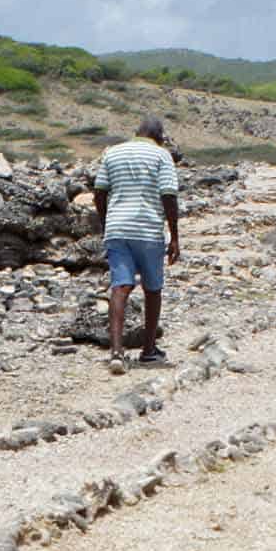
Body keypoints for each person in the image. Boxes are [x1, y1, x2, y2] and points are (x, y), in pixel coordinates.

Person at [92, 116, 181, 373]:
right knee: (152, 289)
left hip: (117, 229)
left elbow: (99, 192)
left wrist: (106, 221)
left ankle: (117, 353)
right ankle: (148, 350)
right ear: (159, 136)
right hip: (147, 229)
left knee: (120, 287)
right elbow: (168, 195)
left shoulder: (113, 153)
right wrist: (174, 236)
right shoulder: (161, 155)